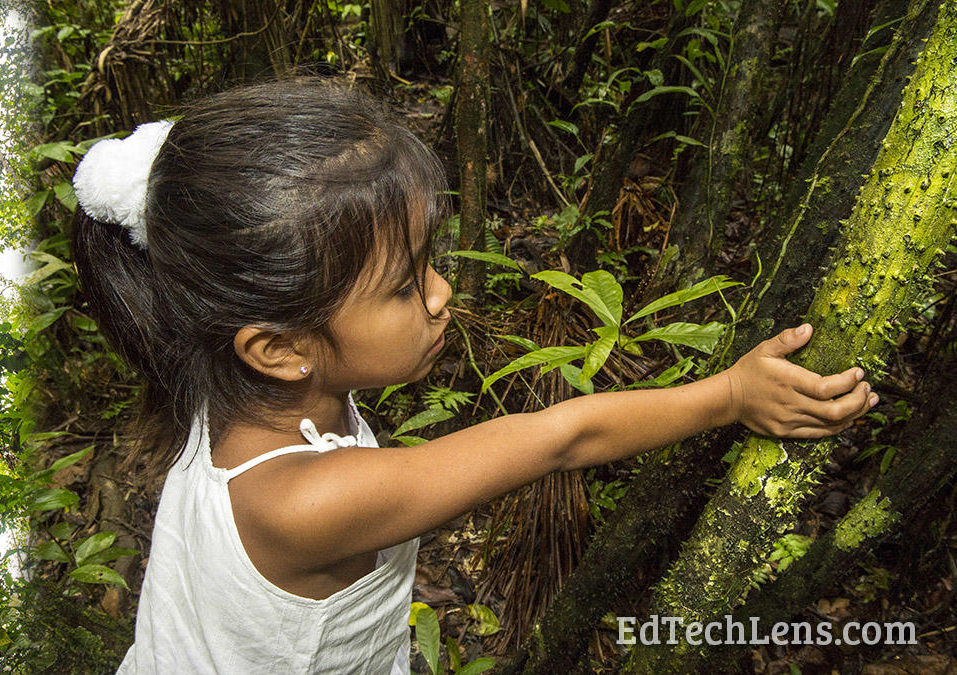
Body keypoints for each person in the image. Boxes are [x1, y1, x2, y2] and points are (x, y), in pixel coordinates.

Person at [69, 78, 876, 674]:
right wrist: (732, 394)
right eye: (404, 284)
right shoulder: (304, 502)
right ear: (278, 348)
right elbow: (559, 437)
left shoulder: (225, 382)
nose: (441, 292)